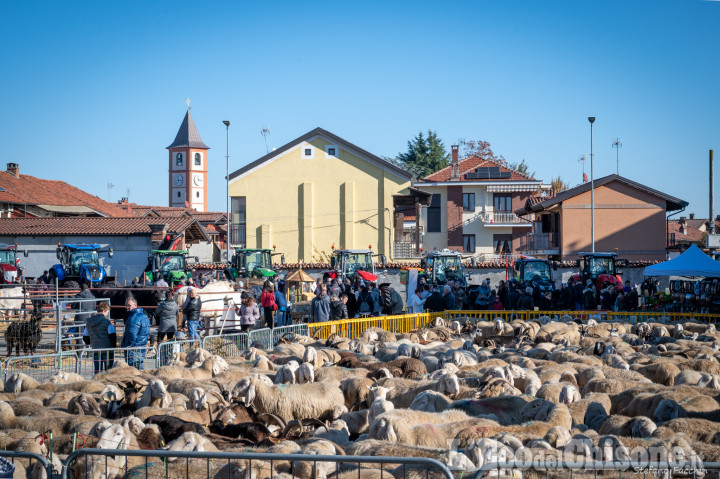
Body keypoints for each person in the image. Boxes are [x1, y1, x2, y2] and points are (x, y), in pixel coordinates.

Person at [82, 302, 116, 374]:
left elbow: (85, 336)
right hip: (107, 349)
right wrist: (114, 345)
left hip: (96, 349)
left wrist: (90, 343)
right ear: (103, 311)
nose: (107, 314)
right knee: (109, 371)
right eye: (107, 312)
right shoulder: (107, 322)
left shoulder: (89, 322)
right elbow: (112, 335)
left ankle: (97, 384)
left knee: (97, 372)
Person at [121, 298, 150, 368]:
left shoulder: (133, 317)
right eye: (126, 306)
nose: (127, 307)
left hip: (133, 349)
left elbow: (132, 334)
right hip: (141, 347)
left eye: (129, 305)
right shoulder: (144, 316)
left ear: (135, 305)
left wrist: (128, 346)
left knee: (133, 372)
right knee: (140, 369)